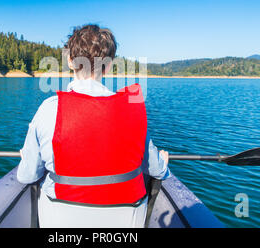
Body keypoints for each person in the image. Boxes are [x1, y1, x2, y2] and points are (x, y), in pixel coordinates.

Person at [17, 24, 170, 227]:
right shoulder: (131, 109)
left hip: (62, 219)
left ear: (70, 61)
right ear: (108, 66)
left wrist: (27, 158)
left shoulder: (49, 109)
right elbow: (156, 170)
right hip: (126, 221)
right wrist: (162, 161)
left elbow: (27, 175)